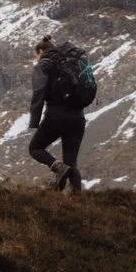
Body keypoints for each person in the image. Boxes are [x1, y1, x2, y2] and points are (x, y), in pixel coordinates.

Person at [26, 35, 91, 191]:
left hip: (56, 117)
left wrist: (34, 122)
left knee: (35, 148)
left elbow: (38, 93)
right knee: (71, 162)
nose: (36, 59)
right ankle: (78, 201)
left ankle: (57, 167)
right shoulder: (70, 62)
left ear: (40, 51)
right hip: (78, 118)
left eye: (36, 55)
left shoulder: (43, 65)